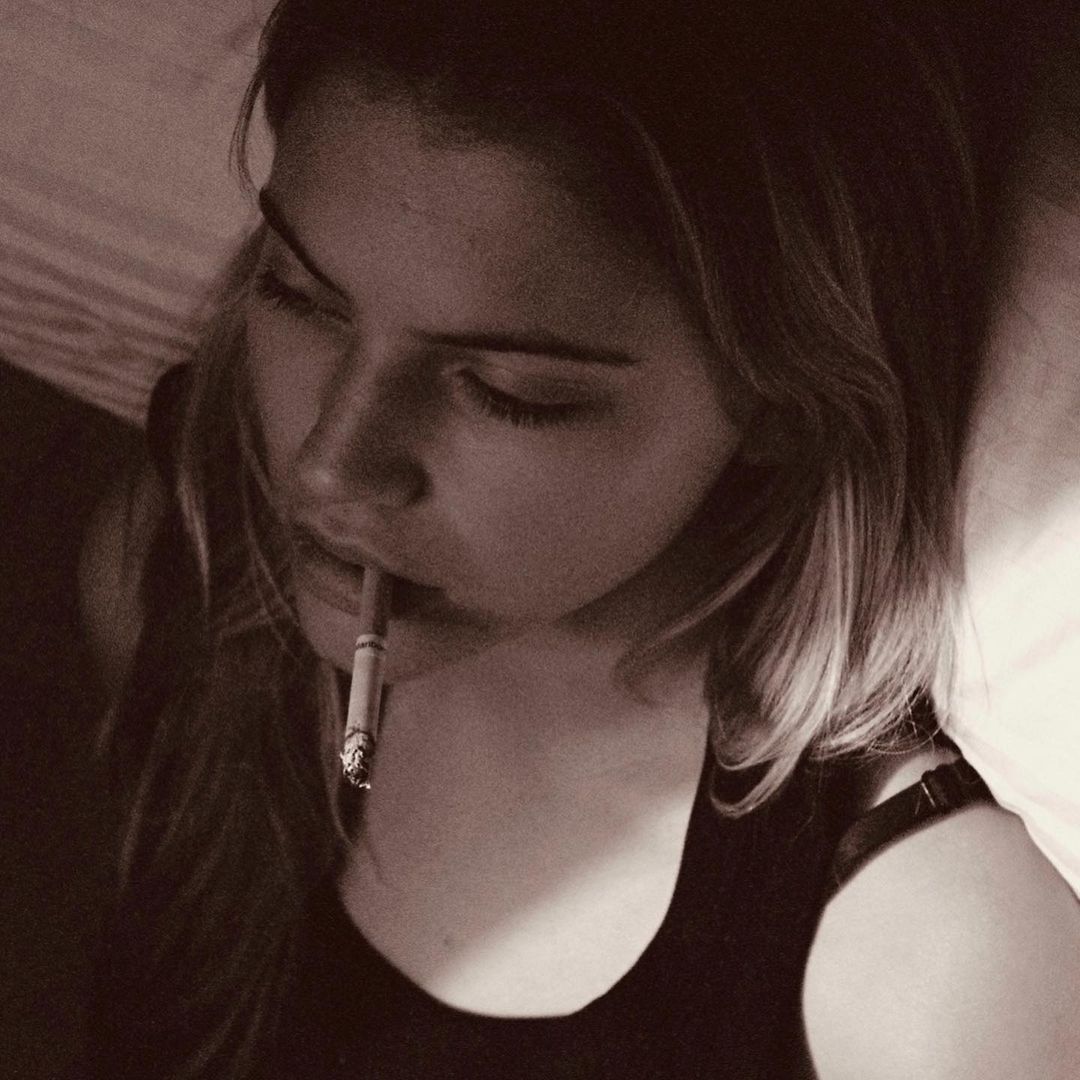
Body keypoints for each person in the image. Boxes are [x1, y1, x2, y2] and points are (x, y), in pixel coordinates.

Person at [76, 2, 1080, 1077]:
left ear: (787, 396)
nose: (331, 465)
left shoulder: (928, 960)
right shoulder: (171, 559)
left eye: (510, 391)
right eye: (298, 294)